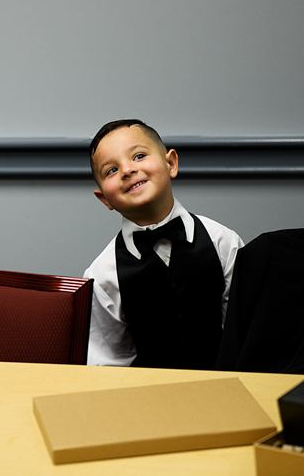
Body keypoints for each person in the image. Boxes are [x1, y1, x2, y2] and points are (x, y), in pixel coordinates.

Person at [82, 119, 243, 368]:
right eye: (111, 170)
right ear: (105, 199)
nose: (127, 170)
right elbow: (107, 364)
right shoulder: (102, 275)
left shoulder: (224, 242)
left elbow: (243, 333)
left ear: (171, 163)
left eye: (138, 156)